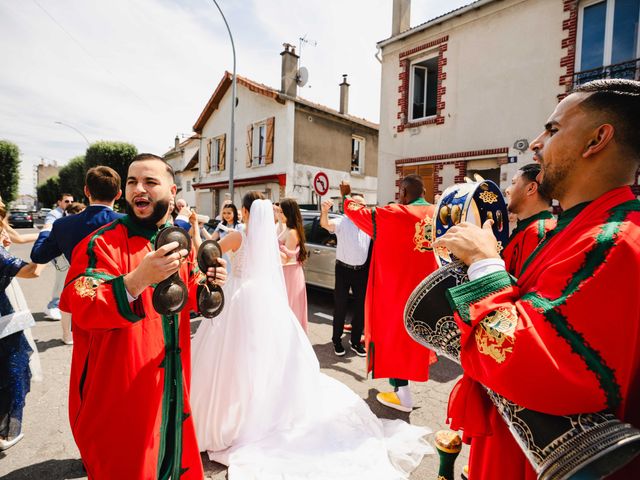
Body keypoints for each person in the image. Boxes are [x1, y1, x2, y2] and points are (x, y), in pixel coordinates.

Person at [434, 79, 640, 479]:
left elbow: (528, 362)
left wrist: (483, 261)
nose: (535, 142)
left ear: (597, 139)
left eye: (553, 129)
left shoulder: (616, 240)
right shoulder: (573, 229)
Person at [190, 192, 434, 479]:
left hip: (238, 295)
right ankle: (261, 402)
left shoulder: (238, 237)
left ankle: (233, 410)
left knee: (231, 355)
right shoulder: (270, 240)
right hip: (264, 298)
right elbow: (283, 261)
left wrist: (195, 229)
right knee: (263, 355)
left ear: (244, 212)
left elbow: (205, 254)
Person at [59, 154, 227, 479]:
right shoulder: (101, 243)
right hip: (120, 398)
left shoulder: (178, 242)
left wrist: (209, 285)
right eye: (133, 181)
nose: (140, 189)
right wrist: (137, 280)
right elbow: (82, 305)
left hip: (169, 387)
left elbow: (187, 294)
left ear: (172, 191)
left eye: (150, 182)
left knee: (169, 462)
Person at [341, 176, 438, 413]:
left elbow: (358, 213)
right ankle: (400, 391)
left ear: (404, 192)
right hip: (427, 292)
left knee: (394, 340)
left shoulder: (394, 214)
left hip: (396, 292)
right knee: (413, 341)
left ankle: (403, 394)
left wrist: (346, 195)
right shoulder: (438, 214)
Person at [0, 203, 45, 451]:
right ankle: (6, 432)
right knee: (14, 369)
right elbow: (32, 271)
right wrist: (47, 249)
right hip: (2, 317)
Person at [320, 196, 370, 357]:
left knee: (360, 308)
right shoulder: (343, 221)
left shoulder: (369, 223)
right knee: (340, 307)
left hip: (361, 271)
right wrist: (325, 212)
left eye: (362, 204)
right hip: (343, 270)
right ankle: (336, 340)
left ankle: (355, 341)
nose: (358, 207)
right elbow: (325, 224)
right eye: (355, 203)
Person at [502, 163, 556, 277]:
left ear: (531, 188)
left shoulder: (539, 231)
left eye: (513, 183)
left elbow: (521, 287)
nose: (507, 190)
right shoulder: (527, 227)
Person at [277, 198, 309, 332]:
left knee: (290, 307)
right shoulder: (287, 228)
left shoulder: (292, 232)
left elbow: (286, 259)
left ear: (287, 213)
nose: (278, 214)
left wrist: (270, 249)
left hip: (289, 272)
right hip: (286, 272)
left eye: (280, 211)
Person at [43, 192, 73, 321]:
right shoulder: (54, 214)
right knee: (61, 279)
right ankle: (53, 305)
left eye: (71, 201)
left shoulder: (68, 213)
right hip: (58, 253)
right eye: (67, 201)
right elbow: (48, 227)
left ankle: (62, 305)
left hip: (66, 252)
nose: (70, 204)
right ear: (59, 202)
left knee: (67, 279)